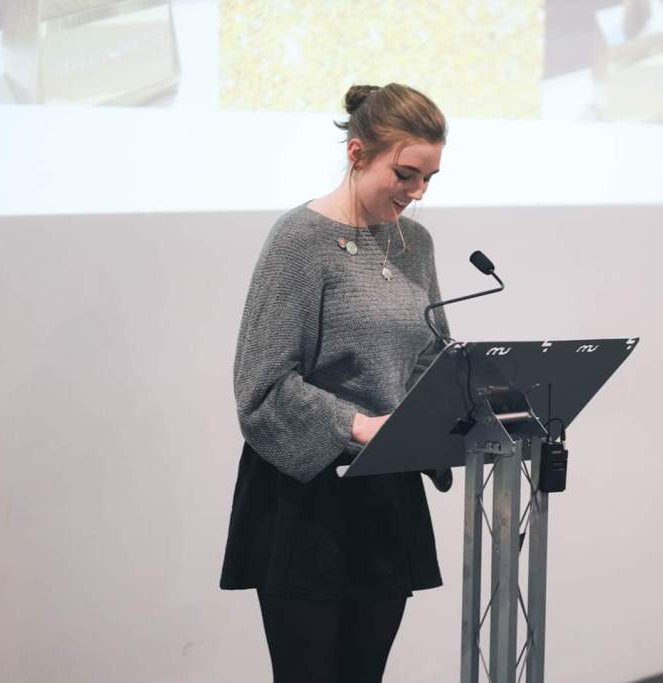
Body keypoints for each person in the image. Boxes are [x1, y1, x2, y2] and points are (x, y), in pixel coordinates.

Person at [219, 82, 452, 683]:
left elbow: (432, 353)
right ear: (356, 155)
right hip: (306, 497)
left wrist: (456, 409)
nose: (417, 192)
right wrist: (358, 425)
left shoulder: (414, 243)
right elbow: (262, 384)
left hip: (386, 490)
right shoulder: (299, 240)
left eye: (428, 178)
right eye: (405, 174)